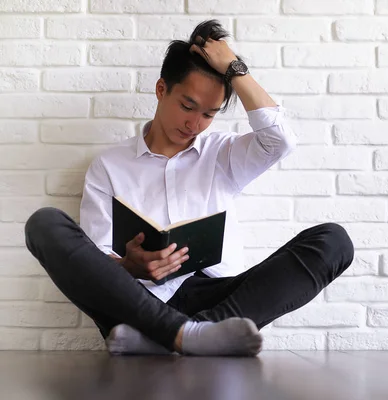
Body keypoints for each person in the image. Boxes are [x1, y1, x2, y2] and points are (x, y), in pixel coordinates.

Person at [24, 20, 354, 357]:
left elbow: (280, 140)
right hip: (138, 302)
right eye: (187, 106)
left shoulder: (222, 153)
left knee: (333, 241)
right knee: (44, 224)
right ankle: (184, 335)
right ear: (161, 89)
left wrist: (234, 69)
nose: (194, 124)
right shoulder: (109, 166)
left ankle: (180, 336)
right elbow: (93, 257)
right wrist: (128, 267)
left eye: (209, 114)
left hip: (220, 298)